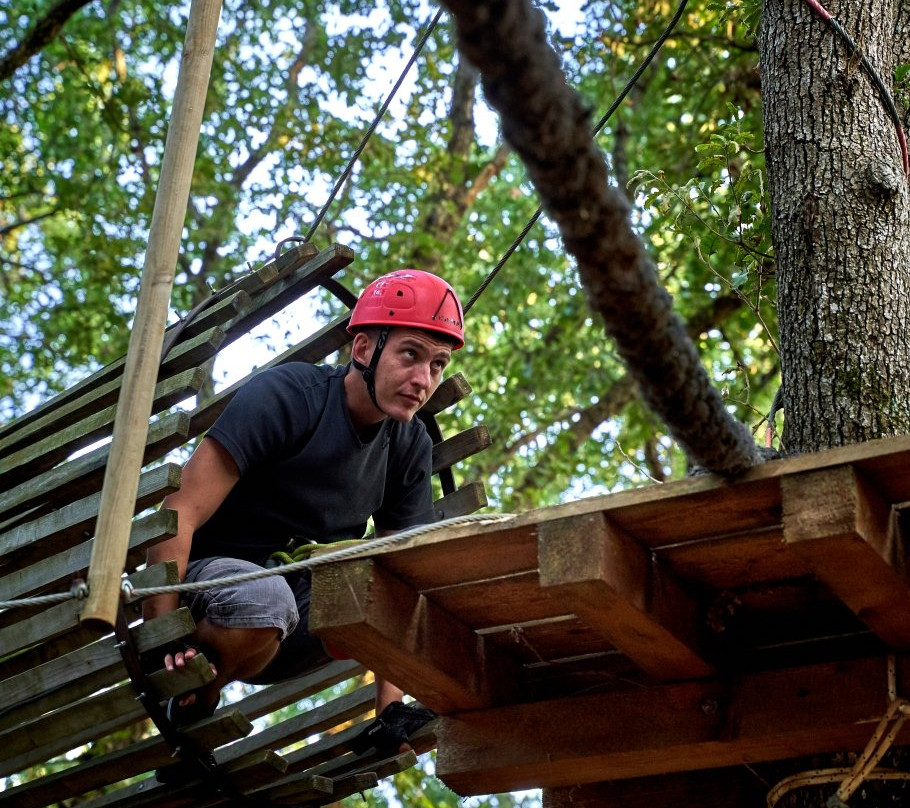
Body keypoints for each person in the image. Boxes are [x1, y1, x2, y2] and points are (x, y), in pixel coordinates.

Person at [143, 268, 464, 760]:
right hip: (210, 595)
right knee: (267, 598)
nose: (424, 380)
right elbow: (179, 511)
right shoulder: (291, 396)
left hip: (292, 628)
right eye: (410, 354)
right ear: (363, 350)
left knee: (395, 581)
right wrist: (162, 639)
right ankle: (194, 692)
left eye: (438, 364)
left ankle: (213, 678)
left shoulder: (408, 446)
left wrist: (390, 710)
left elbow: (399, 581)